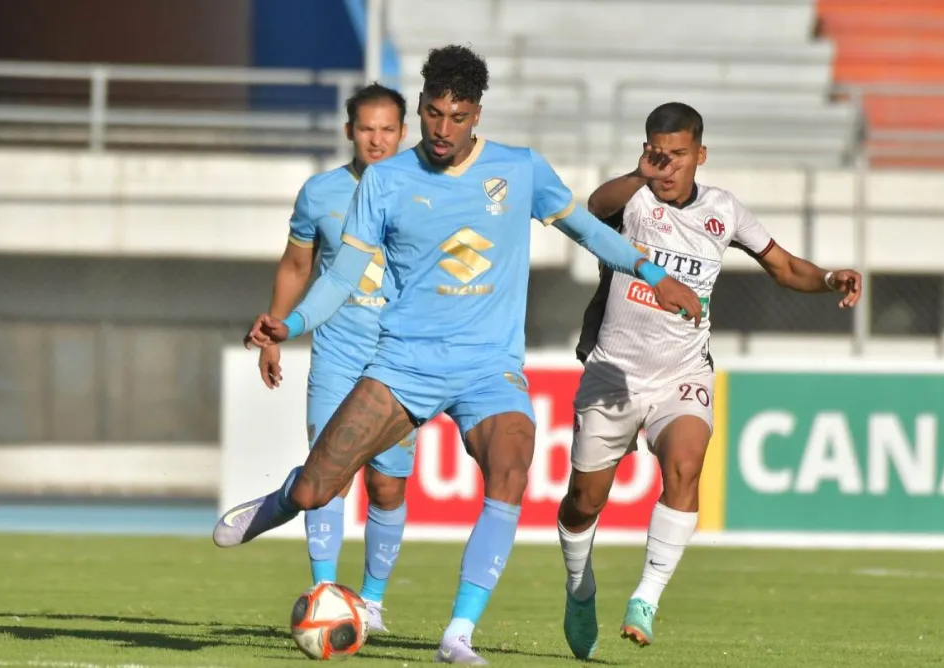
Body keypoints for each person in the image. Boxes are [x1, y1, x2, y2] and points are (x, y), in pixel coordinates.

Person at [213, 45, 701, 665]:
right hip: (402, 365)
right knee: (317, 489)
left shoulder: (519, 169)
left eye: (458, 116)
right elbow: (341, 276)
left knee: (512, 464)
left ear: (477, 115)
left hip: (488, 369)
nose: (442, 130)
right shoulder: (387, 181)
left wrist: (653, 273)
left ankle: (458, 633)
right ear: (420, 107)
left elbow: (589, 229)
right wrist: (293, 323)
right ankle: (280, 502)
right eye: (433, 114)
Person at [557, 102, 864, 660]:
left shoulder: (725, 210)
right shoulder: (634, 199)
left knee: (686, 463)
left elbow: (783, 266)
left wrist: (827, 277)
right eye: (656, 152)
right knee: (583, 502)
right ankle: (580, 591)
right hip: (612, 372)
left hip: (683, 371)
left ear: (700, 154)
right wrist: (638, 176)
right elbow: (592, 208)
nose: (665, 165)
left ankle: (646, 598)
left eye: (676, 155)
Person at [252, 83, 411, 633]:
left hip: (398, 361)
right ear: (349, 132)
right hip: (338, 354)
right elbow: (297, 266)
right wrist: (275, 330)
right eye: (366, 128)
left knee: (388, 485)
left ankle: (370, 602)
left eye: (387, 129)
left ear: (403, 133)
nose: (377, 138)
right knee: (329, 472)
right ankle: (323, 593)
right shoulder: (319, 193)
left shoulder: (426, 191)